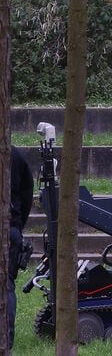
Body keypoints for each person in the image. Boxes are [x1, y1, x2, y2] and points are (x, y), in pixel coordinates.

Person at [7, 146, 33, 352]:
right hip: (10, 228)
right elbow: (26, 193)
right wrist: (17, 226)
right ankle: (6, 343)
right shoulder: (15, 155)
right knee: (6, 286)